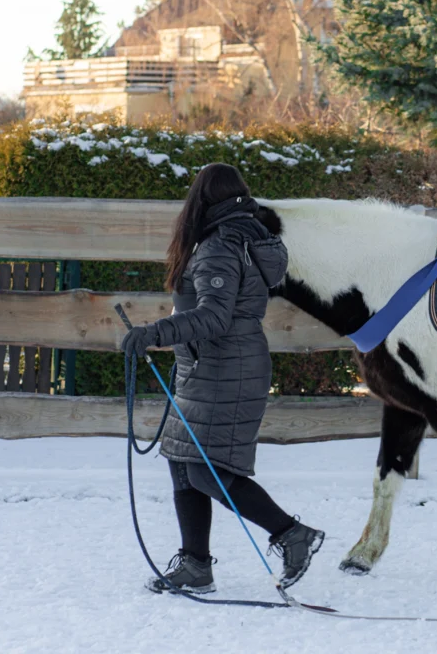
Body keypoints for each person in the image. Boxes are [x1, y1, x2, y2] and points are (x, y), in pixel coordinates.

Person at [121, 163, 324, 595]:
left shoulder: (219, 246)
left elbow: (213, 317)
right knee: (182, 462)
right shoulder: (246, 237)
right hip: (210, 367)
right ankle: (195, 565)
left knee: (209, 471)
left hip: (225, 368)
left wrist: (154, 333)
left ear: (201, 200)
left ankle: (292, 534)